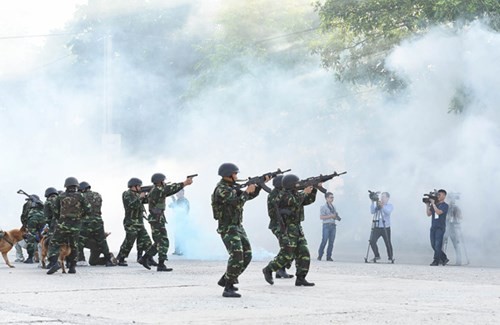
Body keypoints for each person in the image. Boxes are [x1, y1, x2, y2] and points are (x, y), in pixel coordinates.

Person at [211, 163, 264, 298]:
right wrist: (246, 191)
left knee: (247, 255)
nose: (237, 176)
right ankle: (227, 287)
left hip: (237, 226)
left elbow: (249, 196)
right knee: (236, 255)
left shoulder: (231, 187)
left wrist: (259, 186)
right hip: (227, 227)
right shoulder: (222, 189)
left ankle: (227, 278)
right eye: (235, 173)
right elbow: (238, 202)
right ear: (228, 175)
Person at [262, 174, 318, 287]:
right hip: (286, 227)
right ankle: (269, 269)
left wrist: (314, 188)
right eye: (297, 183)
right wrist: (305, 192)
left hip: (296, 227)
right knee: (287, 253)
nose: (299, 185)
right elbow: (294, 201)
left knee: (304, 252)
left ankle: (301, 278)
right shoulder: (283, 195)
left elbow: (308, 200)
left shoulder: (295, 194)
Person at [138, 173, 193, 272]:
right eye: (163, 181)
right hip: (157, 219)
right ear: (159, 181)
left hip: (157, 218)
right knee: (164, 241)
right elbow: (170, 189)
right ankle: (161, 264)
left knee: (159, 242)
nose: (164, 182)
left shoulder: (155, 190)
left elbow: (167, 191)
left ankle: (145, 258)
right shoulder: (157, 190)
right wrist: (185, 183)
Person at [47, 177, 91, 275]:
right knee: (74, 245)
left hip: (63, 224)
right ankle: (72, 266)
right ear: (76, 186)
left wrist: (61, 219)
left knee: (54, 242)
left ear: (66, 186)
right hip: (76, 226)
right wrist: (79, 218)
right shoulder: (81, 196)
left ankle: (54, 262)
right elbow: (88, 209)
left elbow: (56, 211)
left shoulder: (61, 196)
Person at [116, 178, 155, 267]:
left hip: (139, 222)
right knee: (129, 241)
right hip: (131, 222)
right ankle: (120, 258)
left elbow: (146, 201)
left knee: (146, 241)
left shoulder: (137, 194)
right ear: (134, 186)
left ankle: (149, 258)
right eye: (139, 186)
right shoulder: (127, 194)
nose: (140, 187)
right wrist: (140, 197)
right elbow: (131, 205)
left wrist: (149, 194)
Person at [78, 182, 115, 267]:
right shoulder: (98, 195)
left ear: (83, 189)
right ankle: (108, 259)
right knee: (102, 240)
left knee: (79, 239)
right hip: (98, 220)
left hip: (86, 221)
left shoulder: (82, 196)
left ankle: (81, 260)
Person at [267, 175, 293, 279]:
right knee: (286, 246)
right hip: (277, 224)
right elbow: (273, 211)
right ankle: (279, 268)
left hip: (285, 223)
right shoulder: (273, 194)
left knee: (290, 246)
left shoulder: (284, 192)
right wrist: (284, 211)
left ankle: (280, 269)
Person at [426, 189, 449, 266]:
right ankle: (444, 258)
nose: (438, 196)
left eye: (440, 194)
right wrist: (427, 204)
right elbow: (428, 214)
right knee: (433, 244)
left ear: (444, 196)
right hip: (433, 227)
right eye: (438, 194)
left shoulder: (445, 205)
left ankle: (436, 260)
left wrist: (433, 204)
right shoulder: (435, 204)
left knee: (437, 244)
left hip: (440, 227)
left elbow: (438, 212)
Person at [369, 192, 394, 262]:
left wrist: (382, 206)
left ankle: (390, 257)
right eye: (381, 197)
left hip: (386, 227)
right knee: (372, 241)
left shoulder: (390, 205)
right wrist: (372, 202)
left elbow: (388, 212)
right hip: (377, 226)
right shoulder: (378, 205)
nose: (382, 198)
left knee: (388, 242)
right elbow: (372, 211)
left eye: (384, 197)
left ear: (387, 198)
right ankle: (377, 255)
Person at [443, 193, 466, 265]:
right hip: (446, 226)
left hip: (453, 227)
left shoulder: (456, 208)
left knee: (456, 244)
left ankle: (459, 261)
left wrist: (455, 217)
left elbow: (460, 217)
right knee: (442, 244)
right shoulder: (445, 207)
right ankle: (442, 259)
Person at [317, 192, 341, 262]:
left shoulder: (334, 207)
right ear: (326, 198)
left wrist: (336, 217)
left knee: (331, 242)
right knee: (324, 241)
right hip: (326, 225)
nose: (332, 199)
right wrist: (331, 216)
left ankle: (329, 256)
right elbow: (321, 217)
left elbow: (334, 216)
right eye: (331, 197)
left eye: (333, 197)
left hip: (333, 225)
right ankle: (320, 255)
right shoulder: (323, 207)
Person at [168, 188, 190, 256]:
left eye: (180, 192)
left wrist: (173, 204)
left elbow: (182, 209)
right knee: (177, 235)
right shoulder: (178, 200)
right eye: (177, 193)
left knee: (182, 235)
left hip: (182, 221)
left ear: (183, 193)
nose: (178, 194)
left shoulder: (184, 201)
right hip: (178, 221)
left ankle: (183, 250)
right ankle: (177, 250)